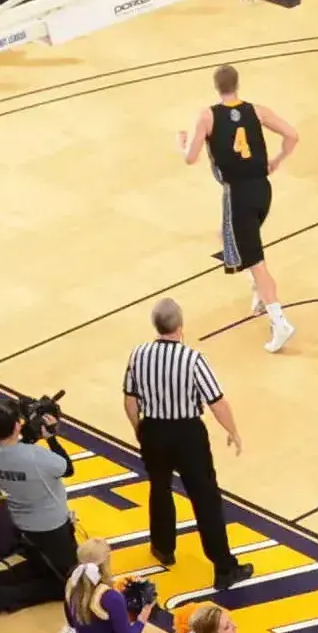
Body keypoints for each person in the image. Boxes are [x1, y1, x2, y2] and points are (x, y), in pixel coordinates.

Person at [116, 298, 243, 585]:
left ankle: (163, 548)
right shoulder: (193, 359)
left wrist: (140, 429)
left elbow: (129, 399)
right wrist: (232, 430)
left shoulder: (138, 354)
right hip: (187, 434)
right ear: (181, 326)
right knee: (205, 498)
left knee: (159, 488)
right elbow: (217, 402)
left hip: (153, 430)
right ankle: (224, 568)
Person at [173, 66, 296, 355]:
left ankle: (279, 320)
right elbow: (292, 135)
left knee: (256, 260)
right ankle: (257, 292)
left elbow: (191, 158)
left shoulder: (207, 115)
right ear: (237, 85)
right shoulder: (257, 111)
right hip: (262, 190)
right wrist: (276, 161)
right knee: (227, 237)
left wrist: (180, 146)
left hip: (237, 194)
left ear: (216, 87)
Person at [0, 398, 81, 601]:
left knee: (42, 565)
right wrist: (51, 438)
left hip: (22, 522)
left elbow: (15, 452)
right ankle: (1, 598)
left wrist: (27, 436)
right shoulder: (37, 457)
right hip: (51, 526)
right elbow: (67, 468)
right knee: (69, 584)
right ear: (18, 424)